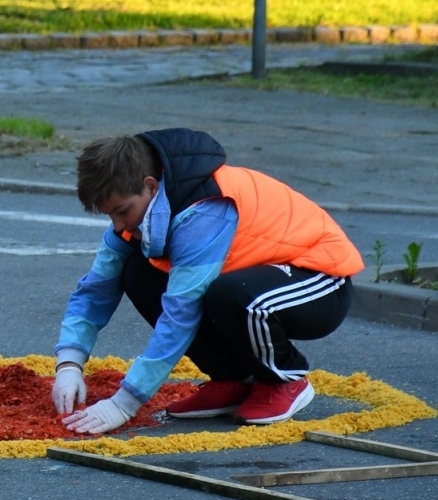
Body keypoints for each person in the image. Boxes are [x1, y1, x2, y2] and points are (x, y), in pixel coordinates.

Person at [50, 129, 364, 435]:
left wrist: (124, 403)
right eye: (110, 216)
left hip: (319, 280)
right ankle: (233, 379)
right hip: (258, 278)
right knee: (136, 272)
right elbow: (96, 289)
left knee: (232, 294)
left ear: (150, 186)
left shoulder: (205, 212)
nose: (119, 224)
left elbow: (180, 314)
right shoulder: (140, 213)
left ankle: (285, 380)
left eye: (122, 211)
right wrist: (69, 364)